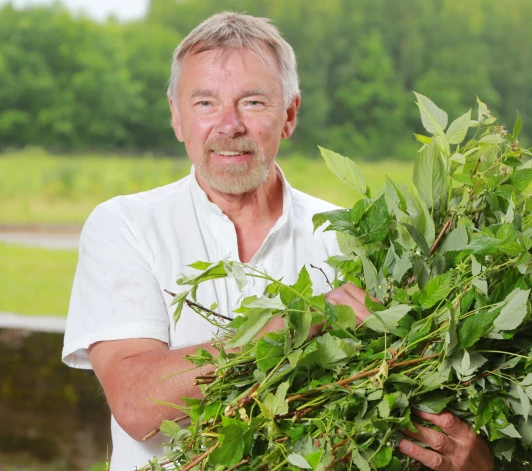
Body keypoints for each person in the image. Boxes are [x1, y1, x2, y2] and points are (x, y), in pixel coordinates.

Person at [62, 12, 493, 471]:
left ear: (289, 115)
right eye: (205, 103)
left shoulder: (355, 239)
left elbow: (403, 409)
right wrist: (297, 323)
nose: (229, 125)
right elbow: (136, 405)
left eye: (251, 102)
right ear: (176, 117)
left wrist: (476, 462)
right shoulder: (125, 225)